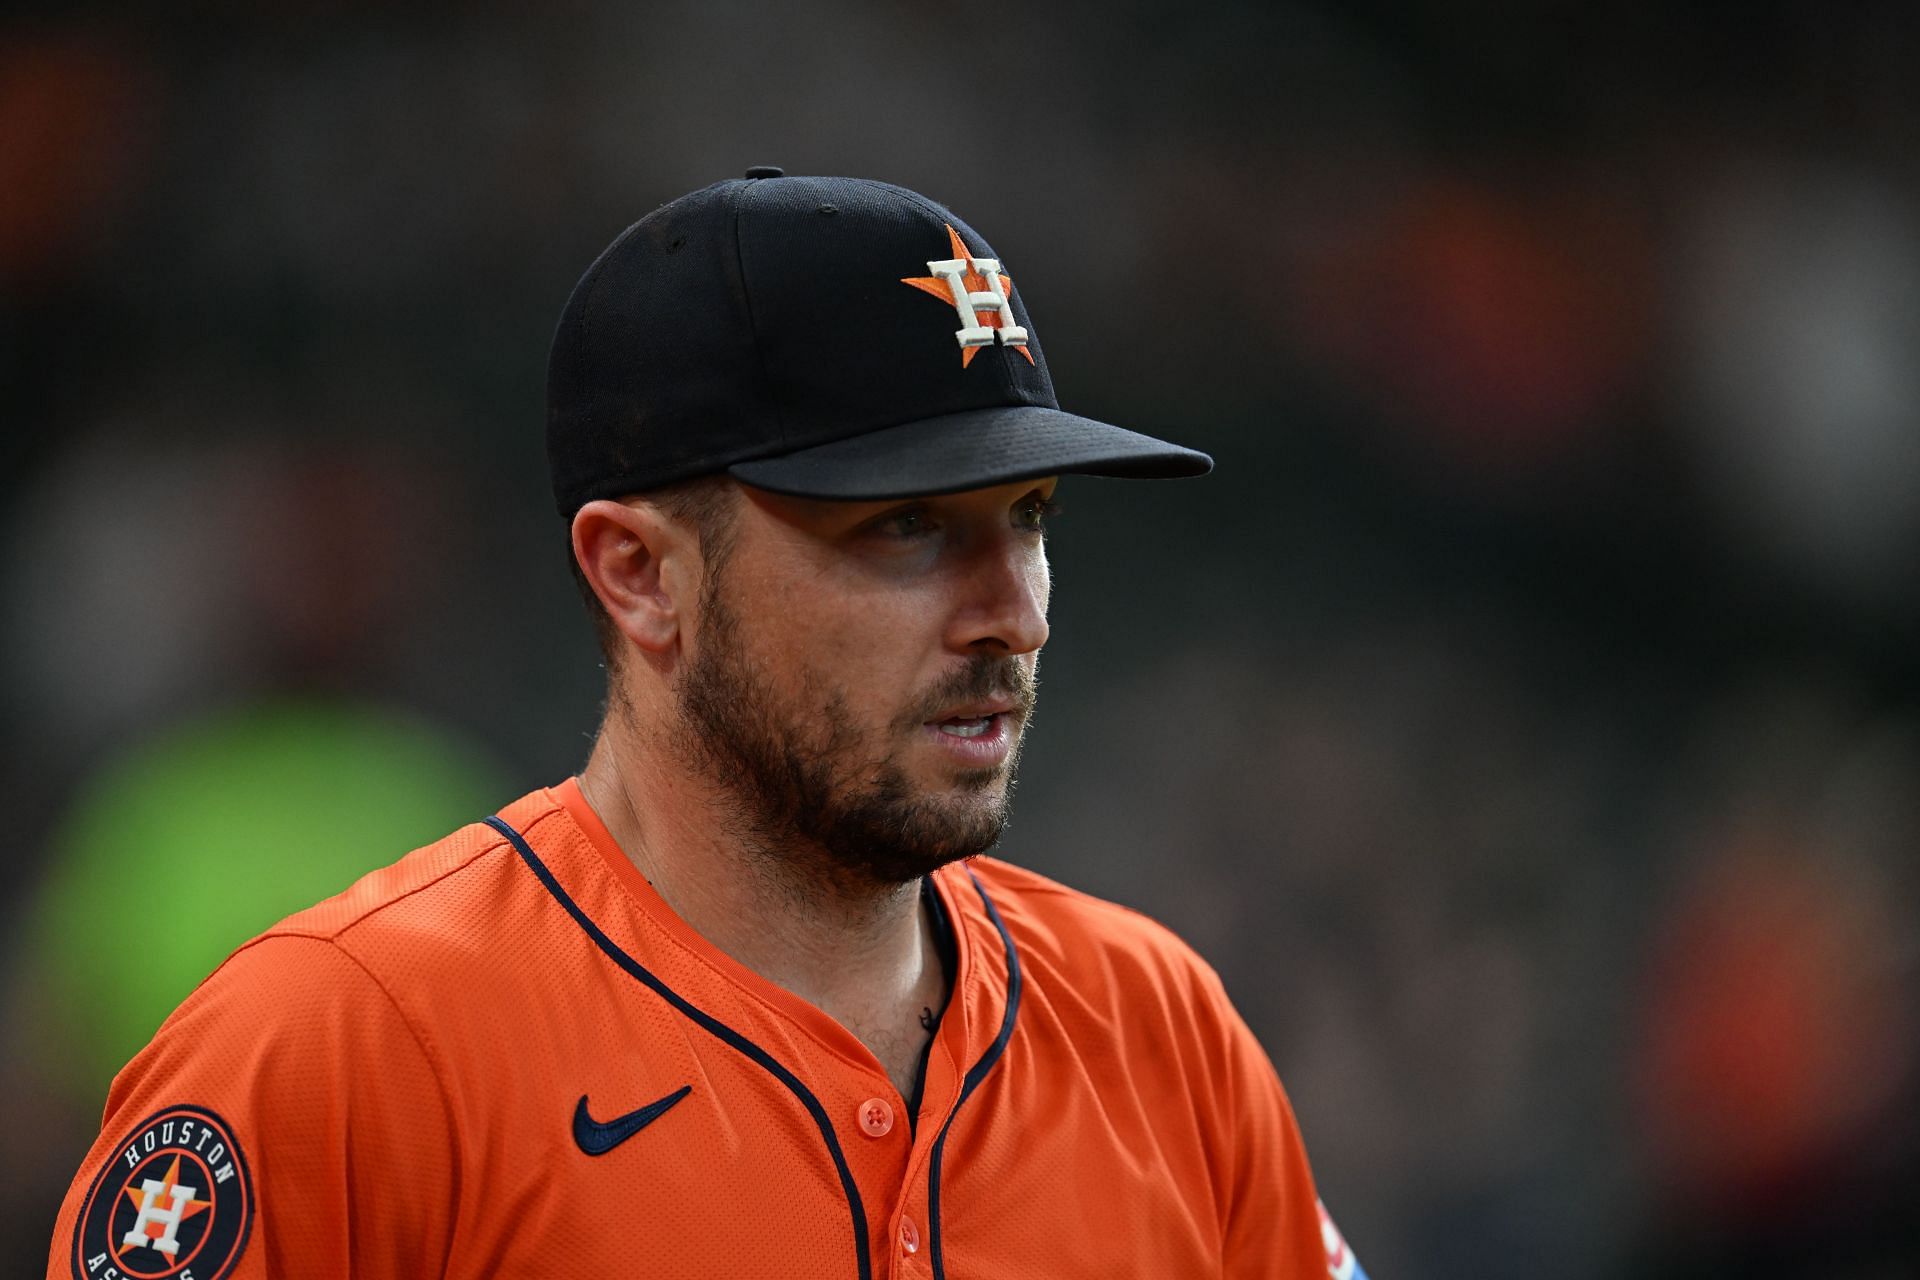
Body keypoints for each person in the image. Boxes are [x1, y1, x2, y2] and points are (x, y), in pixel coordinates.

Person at [48, 170, 1367, 1279]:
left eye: (1028, 518)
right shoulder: (345, 1055)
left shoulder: (1160, 1033)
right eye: (906, 525)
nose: (1010, 612)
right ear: (641, 574)